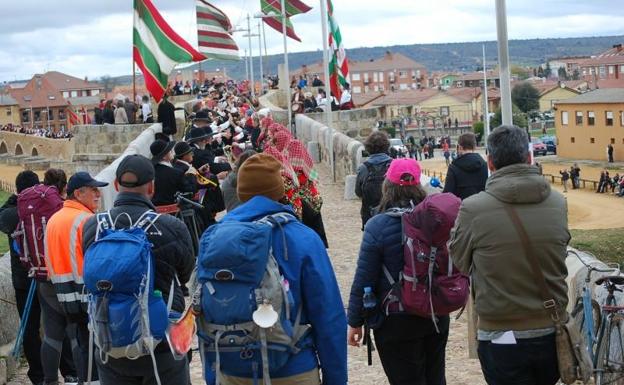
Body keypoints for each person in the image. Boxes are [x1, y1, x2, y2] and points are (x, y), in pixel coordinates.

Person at [206, 153, 347, 384]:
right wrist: (336, 379)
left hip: (232, 369)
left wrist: (214, 374)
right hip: (292, 367)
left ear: (240, 191)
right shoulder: (303, 238)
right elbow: (328, 316)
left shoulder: (214, 237)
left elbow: (205, 310)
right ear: (280, 191)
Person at [449, 125, 570, 385]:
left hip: (500, 333)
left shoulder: (473, 209)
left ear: (490, 163)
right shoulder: (558, 203)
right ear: (529, 157)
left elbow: (459, 261)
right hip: (551, 331)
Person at [82, 155, 194, 385]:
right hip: (162, 341)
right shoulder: (171, 227)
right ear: (152, 187)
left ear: (115, 185)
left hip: (110, 338)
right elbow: (185, 273)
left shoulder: (93, 226)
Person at [348, 158, 449, 385]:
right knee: (435, 378)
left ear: (388, 186)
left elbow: (365, 276)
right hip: (434, 313)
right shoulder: (436, 219)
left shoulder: (378, 225)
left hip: (395, 319)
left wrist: (355, 322)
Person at [0, 171, 78, 385]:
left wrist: (16, 198)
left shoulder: (12, 211)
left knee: (31, 329)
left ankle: (38, 375)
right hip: (49, 274)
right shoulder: (48, 206)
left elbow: (3, 221)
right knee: (57, 326)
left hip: (23, 278)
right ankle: (69, 370)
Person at [44, 171, 109, 384]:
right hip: (85, 295)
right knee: (92, 349)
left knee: (66, 341)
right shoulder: (87, 220)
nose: (98, 194)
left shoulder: (55, 219)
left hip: (60, 293)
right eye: (94, 190)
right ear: (79, 194)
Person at [355, 131, 393, 230]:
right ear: (386, 147)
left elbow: (358, 192)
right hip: (391, 214)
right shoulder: (393, 165)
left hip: (369, 216)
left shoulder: (363, 168)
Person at [150, 139, 196, 206]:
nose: (172, 152)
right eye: (170, 151)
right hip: (173, 210)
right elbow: (190, 190)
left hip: (154, 209)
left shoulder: (150, 171)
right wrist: (191, 174)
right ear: (164, 157)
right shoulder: (175, 173)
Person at [443, 132, 488, 200]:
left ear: (460, 147)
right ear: (474, 147)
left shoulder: (453, 168)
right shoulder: (485, 165)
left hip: (461, 208)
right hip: (482, 207)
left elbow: (447, 195)